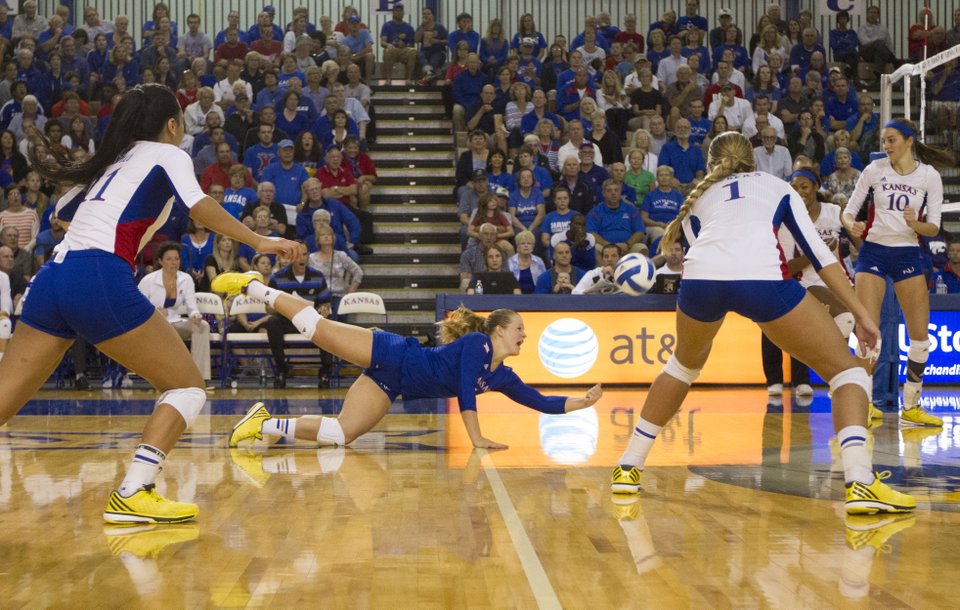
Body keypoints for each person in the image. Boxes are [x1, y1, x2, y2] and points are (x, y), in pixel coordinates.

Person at [0, 84, 298, 524]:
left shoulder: (111, 162)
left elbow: (59, 214)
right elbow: (198, 207)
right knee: (186, 386)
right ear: (173, 124)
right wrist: (259, 239)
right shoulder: (167, 153)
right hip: (98, 276)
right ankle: (135, 490)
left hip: (52, 278)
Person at [609, 131, 916, 517]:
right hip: (763, 281)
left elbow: (692, 254)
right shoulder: (776, 185)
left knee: (682, 367)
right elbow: (821, 256)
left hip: (701, 283)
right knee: (848, 373)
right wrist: (862, 314)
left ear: (711, 164)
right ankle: (860, 482)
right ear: (753, 162)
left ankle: (628, 466)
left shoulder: (699, 197)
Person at [215, 274, 602, 447]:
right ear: (498, 329)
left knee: (341, 435)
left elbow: (540, 401)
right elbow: (465, 393)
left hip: (392, 384)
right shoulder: (477, 345)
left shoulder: (502, 376)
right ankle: (253, 286)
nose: (524, 336)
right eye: (519, 328)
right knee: (317, 328)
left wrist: (580, 403)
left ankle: (263, 424)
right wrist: (477, 438)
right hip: (391, 351)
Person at [841, 119, 955, 427]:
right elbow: (848, 210)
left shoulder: (929, 176)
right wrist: (851, 222)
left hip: (907, 252)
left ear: (908, 141)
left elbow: (932, 225)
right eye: (884, 141)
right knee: (868, 332)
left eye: (891, 140)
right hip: (874, 252)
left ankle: (912, 406)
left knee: (920, 336)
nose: (886, 146)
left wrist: (913, 224)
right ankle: (864, 404)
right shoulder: (874, 170)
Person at [138, 242, 212, 382]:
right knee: (165, 330)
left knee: (202, 326)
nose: (174, 262)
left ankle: (198, 378)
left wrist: (195, 315)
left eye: (176, 259)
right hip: (153, 325)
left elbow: (192, 307)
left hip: (175, 321)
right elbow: (136, 307)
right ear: (160, 261)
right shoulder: (148, 280)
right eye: (169, 259)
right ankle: (165, 377)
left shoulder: (186, 279)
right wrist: (153, 311)